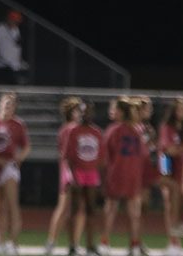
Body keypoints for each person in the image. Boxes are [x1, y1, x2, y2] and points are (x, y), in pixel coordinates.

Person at [100, 97, 145, 256]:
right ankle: (134, 245)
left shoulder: (114, 129)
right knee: (134, 213)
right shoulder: (137, 129)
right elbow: (144, 154)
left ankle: (104, 242)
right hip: (133, 173)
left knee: (110, 209)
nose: (111, 111)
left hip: (117, 172)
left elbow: (105, 155)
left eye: (114, 108)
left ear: (121, 111)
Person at [0, 92, 30, 256]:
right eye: (6, 104)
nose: (8, 108)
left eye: (11, 105)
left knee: (12, 205)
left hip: (8, 167)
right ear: (0, 105)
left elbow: (26, 146)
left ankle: (13, 243)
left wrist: (19, 158)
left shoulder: (18, 124)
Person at [45, 97, 83, 256]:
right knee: (70, 209)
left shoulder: (68, 128)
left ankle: (72, 244)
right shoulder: (71, 128)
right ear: (71, 112)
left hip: (75, 171)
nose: (81, 113)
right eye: (78, 110)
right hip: (72, 172)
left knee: (71, 210)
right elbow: (66, 155)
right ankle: (53, 242)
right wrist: (70, 175)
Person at [65, 101, 104, 256]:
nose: (84, 114)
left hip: (92, 173)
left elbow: (101, 157)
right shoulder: (73, 131)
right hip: (78, 172)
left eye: (87, 112)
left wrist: (99, 176)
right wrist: (73, 176)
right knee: (74, 209)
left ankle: (90, 245)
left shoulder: (96, 132)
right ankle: (72, 244)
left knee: (91, 210)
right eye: (81, 111)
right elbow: (68, 156)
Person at [158, 97, 183, 255]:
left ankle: (176, 242)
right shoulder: (167, 127)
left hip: (182, 171)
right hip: (167, 168)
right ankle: (173, 242)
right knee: (170, 205)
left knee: (179, 206)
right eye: (180, 109)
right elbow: (168, 150)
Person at [0, 11, 25, 85]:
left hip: (13, 65)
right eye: (14, 20)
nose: (15, 22)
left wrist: (19, 60)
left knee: (13, 88)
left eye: (17, 21)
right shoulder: (0, 28)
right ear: (9, 19)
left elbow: (17, 46)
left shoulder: (17, 30)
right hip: (1, 64)